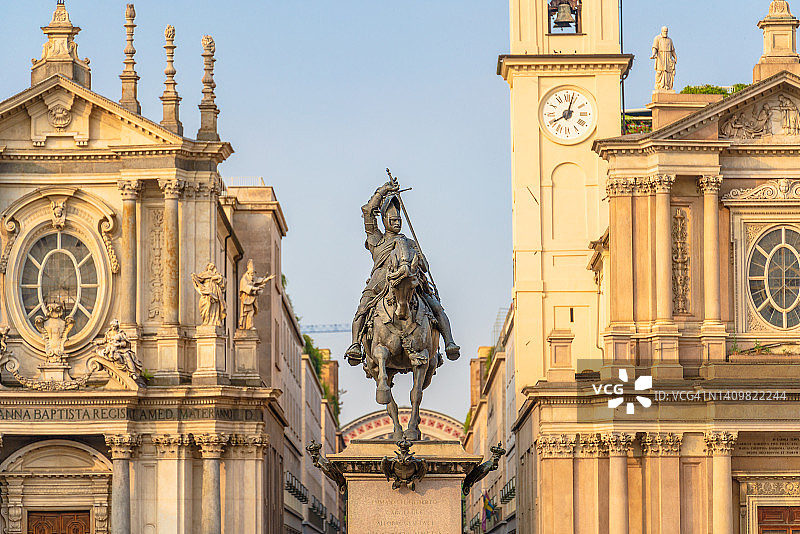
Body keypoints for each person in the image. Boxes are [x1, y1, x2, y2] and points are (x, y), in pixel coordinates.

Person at [345, 181, 460, 364]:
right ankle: (355, 345)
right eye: (393, 220)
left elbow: (425, 265)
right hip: (380, 281)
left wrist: (420, 262)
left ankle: (449, 342)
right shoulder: (377, 238)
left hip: (412, 279)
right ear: (385, 221)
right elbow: (367, 211)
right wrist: (382, 192)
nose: (397, 223)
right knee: (362, 309)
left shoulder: (410, 242)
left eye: (399, 220)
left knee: (436, 307)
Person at [651, 26, 677, 91]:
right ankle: (659, 85)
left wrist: (675, 57)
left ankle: (666, 85)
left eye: (666, 31)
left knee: (667, 72)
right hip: (660, 56)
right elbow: (655, 47)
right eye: (664, 31)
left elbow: (672, 50)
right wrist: (653, 54)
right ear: (661, 31)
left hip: (668, 57)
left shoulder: (670, 40)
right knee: (660, 72)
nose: (665, 32)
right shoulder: (657, 38)